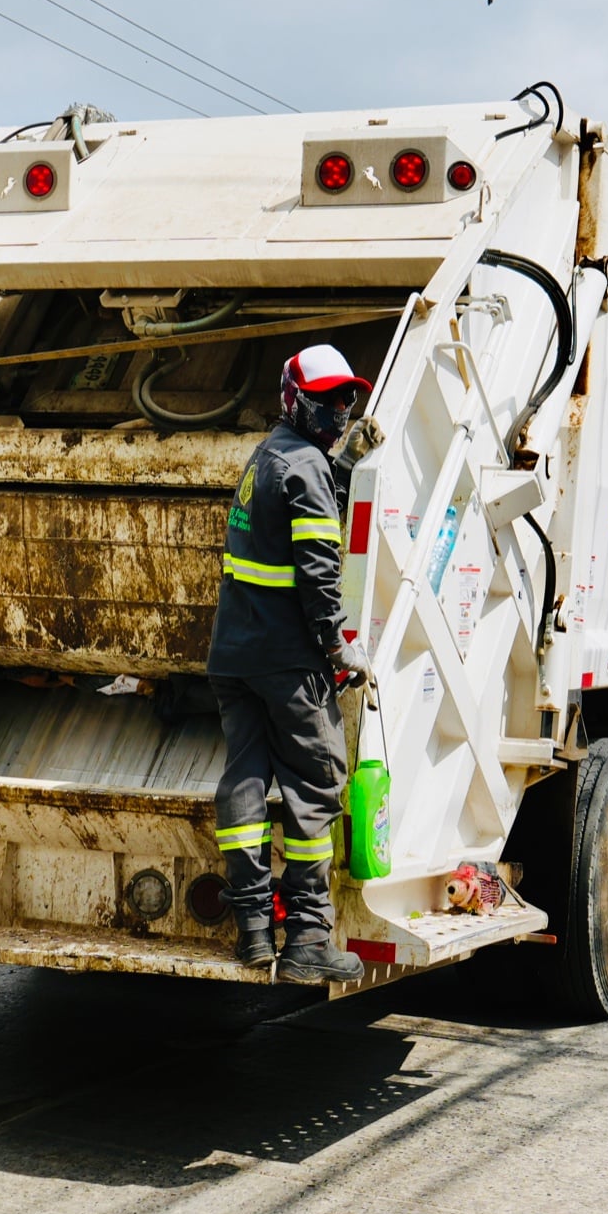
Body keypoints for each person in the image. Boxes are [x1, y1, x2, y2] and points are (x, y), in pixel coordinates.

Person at [206, 344, 373, 984]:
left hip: (235, 657)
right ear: (293, 400)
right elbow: (319, 573)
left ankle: (252, 930)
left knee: (246, 783)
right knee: (315, 786)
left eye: (345, 398)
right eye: (327, 398)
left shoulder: (266, 456)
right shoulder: (306, 469)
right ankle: (307, 938)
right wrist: (338, 648)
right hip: (286, 663)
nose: (339, 409)